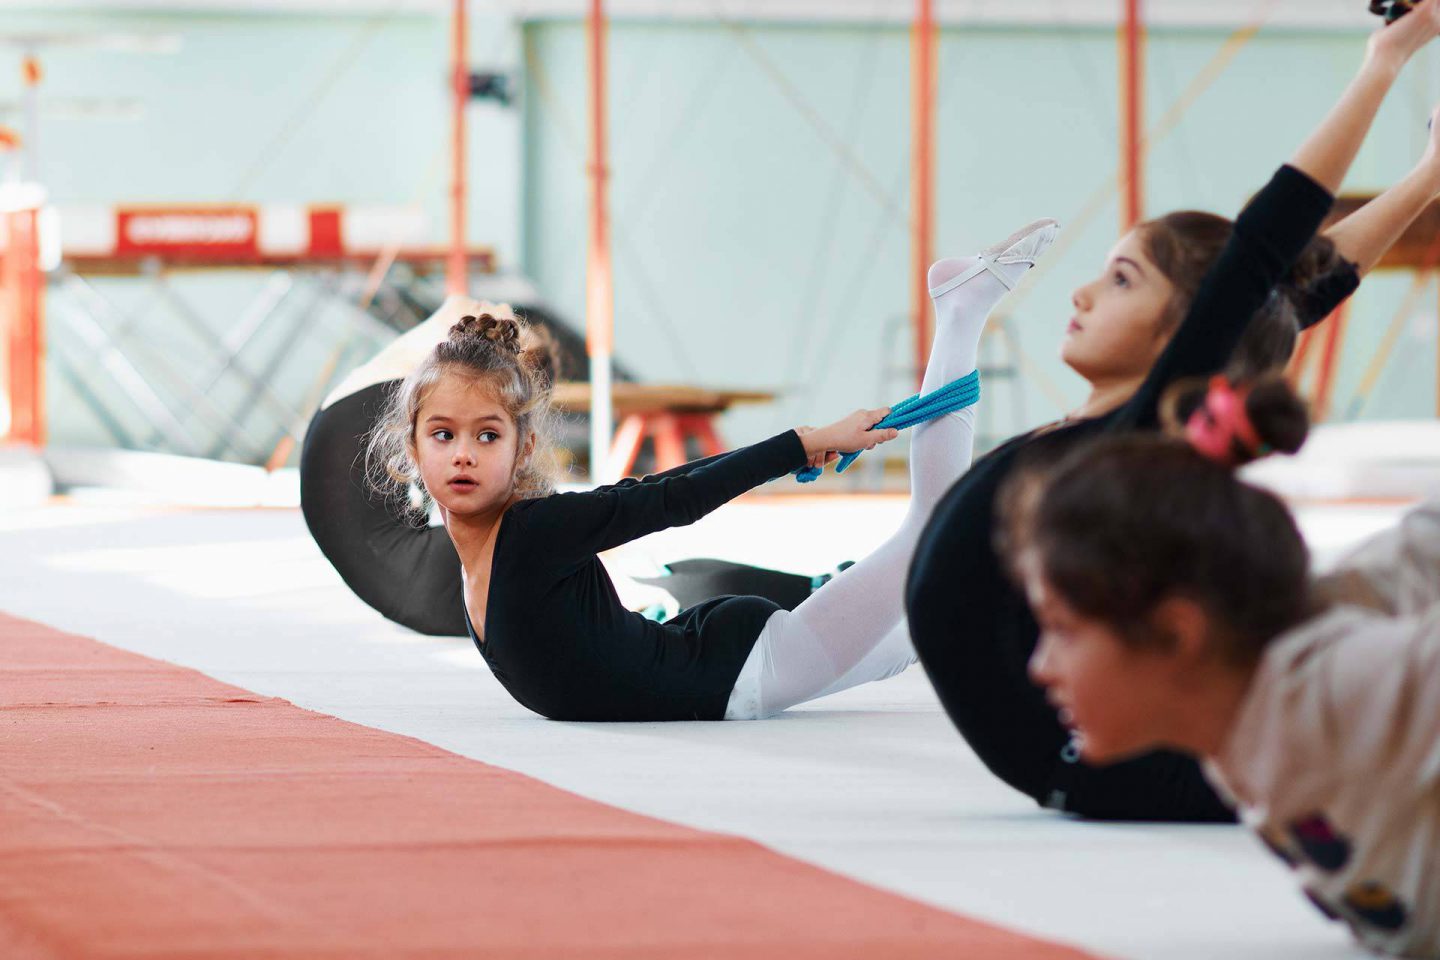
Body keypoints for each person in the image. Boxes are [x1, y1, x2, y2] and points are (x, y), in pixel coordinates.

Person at [904, 2, 1440, 821]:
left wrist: (1387, 61)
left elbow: (1275, 261)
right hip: (1105, 762)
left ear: (1189, 329)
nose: (1081, 291)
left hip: (1105, 761)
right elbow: (1298, 290)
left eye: (1122, 280)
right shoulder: (1125, 446)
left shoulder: (1133, 441)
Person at [307, 218, 1056, 720]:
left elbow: (669, 496)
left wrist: (803, 441)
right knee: (929, 613)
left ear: (521, 449)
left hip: (755, 667)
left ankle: (962, 311)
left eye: (486, 435)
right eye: (442, 435)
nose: (463, 453)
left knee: (935, 541)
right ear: (413, 449)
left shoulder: (534, 533)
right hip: (728, 656)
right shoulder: (475, 560)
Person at [1002, 373, 1440, 959]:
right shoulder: (1241, 730)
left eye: (1062, 629)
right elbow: (1412, 558)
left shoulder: (1343, 688)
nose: (1039, 667)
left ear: (1178, 632)